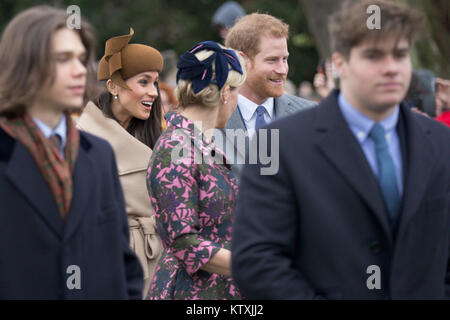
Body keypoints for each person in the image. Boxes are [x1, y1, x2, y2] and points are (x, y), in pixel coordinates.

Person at [232, 0, 450, 299]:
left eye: (399, 55)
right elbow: (257, 263)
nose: (390, 68)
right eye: (373, 56)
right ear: (341, 64)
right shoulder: (282, 144)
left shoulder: (440, 143)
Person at [0, 6, 143, 299]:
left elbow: (123, 262)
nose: (80, 69)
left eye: (81, 58)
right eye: (63, 59)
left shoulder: (99, 154)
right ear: (25, 64)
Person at [146, 41, 246, 300]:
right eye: (237, 91)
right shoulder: (176, 146)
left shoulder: (199, 143)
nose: (237, 101)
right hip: (189, 293)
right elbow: (184, 242)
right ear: (225, 92)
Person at [77, 28, 163, 298]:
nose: (154, 92)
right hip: (109, 260)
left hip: (158, 258)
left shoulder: (157, 134)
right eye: (144, 82)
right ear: (114, 85)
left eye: (156, 83)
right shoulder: (83, 134)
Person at [222, 13, 316, 179]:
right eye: (272, 60)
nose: (282, 70)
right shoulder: (209, 121)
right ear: (241, 61)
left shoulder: (311, 116)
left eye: (285, 59)